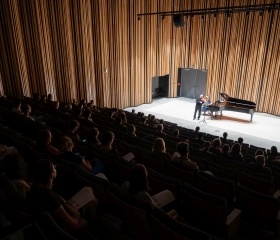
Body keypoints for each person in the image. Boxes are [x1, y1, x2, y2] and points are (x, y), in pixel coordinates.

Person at [28, 159, 98, 235]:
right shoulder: (50, 198)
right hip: (62, 231)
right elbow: (73, 225)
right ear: (51, 175)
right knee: (93, 200)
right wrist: (76, 215)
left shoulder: (36, 189)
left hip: (54, 221)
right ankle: (89, 230)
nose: (55, 166)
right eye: (53, 167)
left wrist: (66, 204)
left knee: (88, 190)